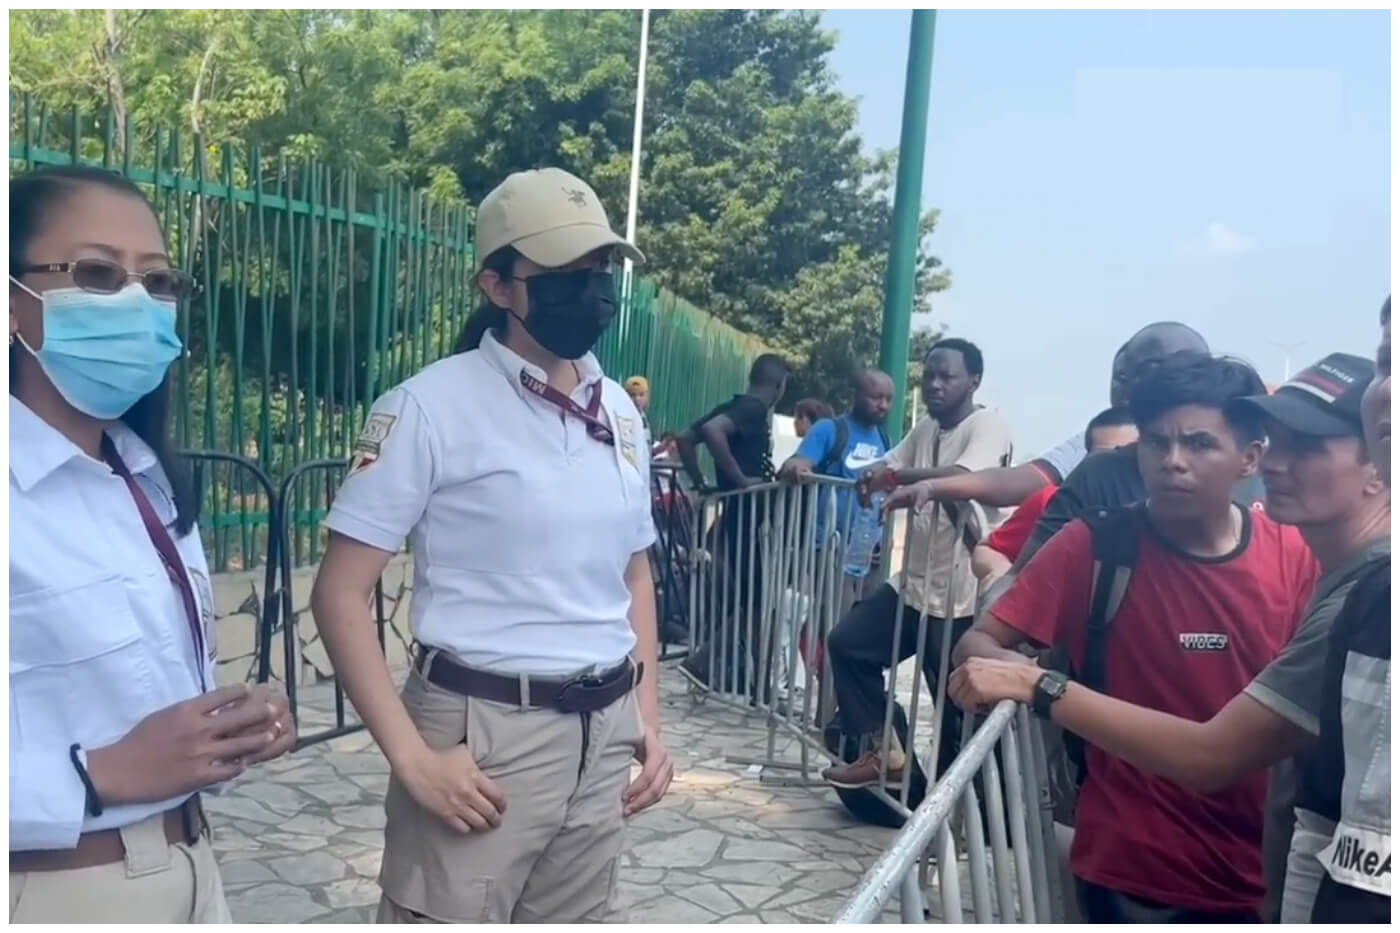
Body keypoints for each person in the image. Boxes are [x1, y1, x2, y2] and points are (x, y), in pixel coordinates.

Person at [309, 167, 673, 924]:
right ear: (498, 286)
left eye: (600, 267)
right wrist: (411, 758)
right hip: (481, 735)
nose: (593, 287)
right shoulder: (427, 407)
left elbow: (633, 571)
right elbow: (340, 592)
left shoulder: (620, 412)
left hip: (601, 731)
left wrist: (647, 720)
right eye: (564, 271)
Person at [948, 342, 1390, 923]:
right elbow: (983, 642)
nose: (1174, 461)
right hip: (1136, 875)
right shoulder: (1098, 545)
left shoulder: (1352, 590)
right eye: (1157, 442)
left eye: (1201, 443)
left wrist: (1042, 686)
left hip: (1271, 883)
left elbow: (1214, 753)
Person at [8, 165, 295, 923]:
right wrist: (96, 775)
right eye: (97, 273)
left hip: (191, 869)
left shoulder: (147, 475)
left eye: (158, 280)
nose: (136, 303)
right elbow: (114, 757)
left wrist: (228, 730)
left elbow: (149, 701)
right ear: (14, 303)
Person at [820, 338, 1013, 789]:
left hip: (964, 595)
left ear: (973, 381)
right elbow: (889, 462)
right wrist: (876, 474)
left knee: (957, 710)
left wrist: (895, 476)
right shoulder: (927, 428)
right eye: (929, 375)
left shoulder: (988, 425)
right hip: (915, 586)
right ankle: (887, 751)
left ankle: (969, 815)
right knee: (848, 644)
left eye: (947, 376)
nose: (935, 385)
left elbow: (963, 479)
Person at [886, 323, 1208, 514]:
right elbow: (1025, 478)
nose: (1128, 388)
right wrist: (933, 487)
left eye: (1146, 372)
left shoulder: (1231, 454)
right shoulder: (1097, 448)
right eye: (1120, 376)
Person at [675, 353, 790, 691]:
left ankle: (746, 679)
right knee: (755, 602)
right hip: (748, 514)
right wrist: (740, 480)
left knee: (748, 598)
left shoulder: (734, 404)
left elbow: (685, 438)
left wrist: (702, 482)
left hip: (737, 512)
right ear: (779, 385)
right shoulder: (753, 410)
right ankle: (706, 665)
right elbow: (712, 432)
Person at [972, 407, 1138, 587]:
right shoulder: (1050, 502)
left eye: (1125, 461)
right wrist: (1012, 583)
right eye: (1102, 459)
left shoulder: (1161, 518)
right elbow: (988, 550)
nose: (1112, 471)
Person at [779, 369, 896, 595]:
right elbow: (797, 462)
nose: (883, 405)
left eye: (888, 399)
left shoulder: (884, 438)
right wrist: (796, 467)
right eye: (876, 397)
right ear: (856, 395)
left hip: (870, 553)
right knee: (837, 620)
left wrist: (885, 537)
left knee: (867, 622)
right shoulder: (829, 429)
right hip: (829, 549)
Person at [624, 375, 653, 451]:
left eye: (641, 395)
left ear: (647, 396)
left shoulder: (648, 421)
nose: (637, 399)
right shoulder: (622, 419)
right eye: (632, 395)